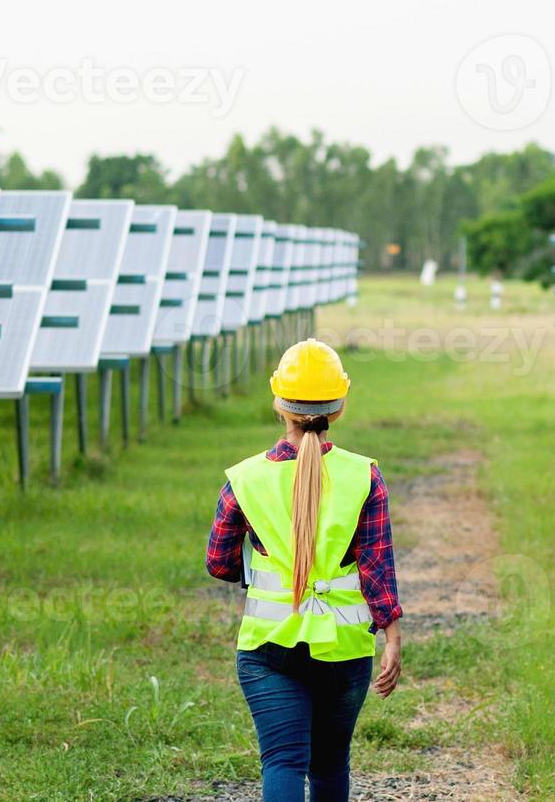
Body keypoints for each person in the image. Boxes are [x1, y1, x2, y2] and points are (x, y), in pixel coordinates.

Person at [205, 339, 403, 801]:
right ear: (339, 406)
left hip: (268, 650)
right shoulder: (364, 476)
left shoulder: (245, 478)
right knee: (331, 765)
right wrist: (392, 638)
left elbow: (218, 561)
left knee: (283, 762)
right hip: (346, 651)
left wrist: (259, 564)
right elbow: (377, 569)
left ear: (279, 402)